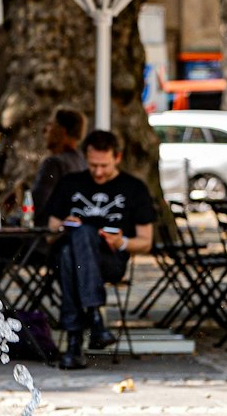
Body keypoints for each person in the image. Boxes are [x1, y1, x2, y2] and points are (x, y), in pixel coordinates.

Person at [38, 130, 156, 370]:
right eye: (93, 165)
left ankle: (75, 341)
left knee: (76, 244)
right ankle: (93, 317)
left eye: (104, 165)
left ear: (118, 158)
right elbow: (51, 230)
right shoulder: (71, 183)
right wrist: (64, 224)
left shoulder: (134, 188)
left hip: (109, 260)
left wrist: (121, 242)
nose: (98, 172)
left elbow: (146, 241)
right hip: (68, 260)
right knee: (73, 247)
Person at [29, 108, 89, 219]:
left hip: (52, 232)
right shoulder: (83, 162)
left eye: (50, 125)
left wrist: (22, 194)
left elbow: (35, 208)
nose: (44, 130)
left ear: (61, 131)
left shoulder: (54, 164)